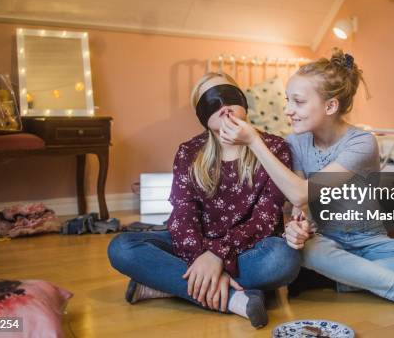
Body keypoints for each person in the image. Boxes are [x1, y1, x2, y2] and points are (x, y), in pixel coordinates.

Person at [218, 48, 394, 317]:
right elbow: (299, 206)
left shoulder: (362, 143)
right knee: (303, 249)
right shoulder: (296, 142)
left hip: (370, 241)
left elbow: (301, 193)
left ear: (331, 106)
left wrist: (253, 141)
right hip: (323, 240)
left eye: (297, 102)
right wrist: (298, 226)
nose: (288, 110)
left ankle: (336, 278)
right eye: (287, 101)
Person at [108, 72, 300, 329]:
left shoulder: (275, 148)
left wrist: (218, 256)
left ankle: (166, 284)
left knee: (284, 258)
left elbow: (265, 218)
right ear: (201, 115)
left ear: (243, 101)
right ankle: (235, 299)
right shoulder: (189, 152)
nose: (223, 106)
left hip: (251, 248)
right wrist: (201, 255)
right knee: (121, 247)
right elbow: (182, 213)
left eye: (229, 96)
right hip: (195, 244)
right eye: (211, 102)